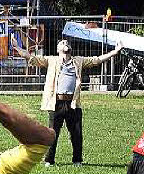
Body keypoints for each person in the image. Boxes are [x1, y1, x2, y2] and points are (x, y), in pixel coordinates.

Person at [16, 38, 122, 166]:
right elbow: (31, 57)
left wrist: (115, 52)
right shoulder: (51, 60)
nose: (65, 43)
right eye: (62, 43)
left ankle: (77, 160)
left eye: (67, 43)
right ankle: (49, 160)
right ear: (57, 49)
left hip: (73, 103)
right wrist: (17, 48)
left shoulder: (78, 61)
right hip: (56, 103)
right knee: (52, 133)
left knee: (76, 134)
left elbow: (97, 60)